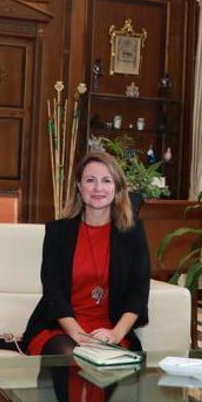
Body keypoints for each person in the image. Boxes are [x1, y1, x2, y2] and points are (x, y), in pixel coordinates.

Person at [22, 151, 150, 355]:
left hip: (110, 328)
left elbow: (138, 292)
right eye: (90, 180)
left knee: (112, 362)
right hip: (62, 327)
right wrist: (79, 335)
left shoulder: (132, 233)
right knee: (71, 355)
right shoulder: (58, 232)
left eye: (106, 180)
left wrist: (116, 334)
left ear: (116, 187)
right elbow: (53, 292)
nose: (98, 188)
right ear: (80, 187)